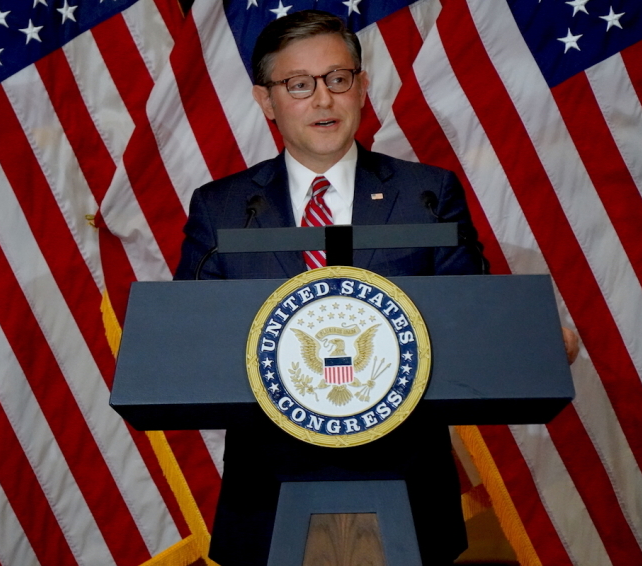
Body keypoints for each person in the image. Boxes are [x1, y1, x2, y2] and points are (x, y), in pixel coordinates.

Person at [174, 10, 569, 564]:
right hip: (268, 496)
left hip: (406, 487)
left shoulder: (425, 193)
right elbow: (185, 341)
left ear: (361, 87)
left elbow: (474, 319)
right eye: (299, 84)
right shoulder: (221, 208)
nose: (322, 99)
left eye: (338, 79)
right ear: (267, 101)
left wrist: (535, 339)